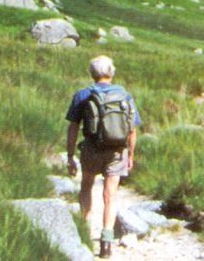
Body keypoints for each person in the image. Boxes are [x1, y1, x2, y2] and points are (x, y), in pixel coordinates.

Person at [65, 55, 141, 259]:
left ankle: (84, 232)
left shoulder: (83, 95)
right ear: (112, 73)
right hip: (117, 151)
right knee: (110, 194)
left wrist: (70, 156)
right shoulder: (125, 96)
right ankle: (107, 241)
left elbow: (73, 127)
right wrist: (131, 154)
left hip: (91, 149)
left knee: (86, 186)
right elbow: (132, 130)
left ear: (92, 73)